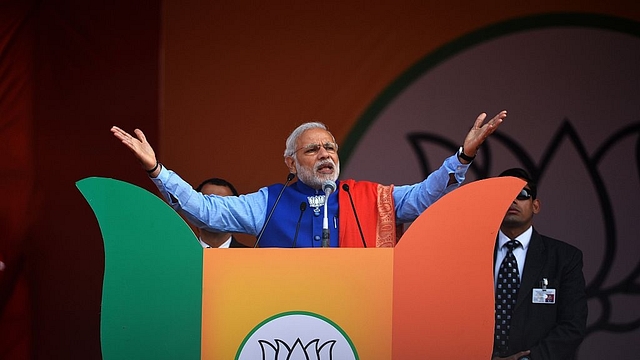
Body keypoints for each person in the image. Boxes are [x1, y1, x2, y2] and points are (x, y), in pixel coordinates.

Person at [110, 110, 507, 248]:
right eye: (313, 150)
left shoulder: (370, 198)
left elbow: (423, 197)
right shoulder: (267, 202)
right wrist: (156, 170)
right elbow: (205, 210)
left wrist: (463, 157)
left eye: (330, 148)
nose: (325, 156)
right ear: (290, 160)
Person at [492, 168, 587, 360]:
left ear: (536, 205)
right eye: (504, 195)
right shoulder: (473, 255)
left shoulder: (565, 258)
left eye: (522, 194)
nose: (513, 201)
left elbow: (573, 324)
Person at [194, 177, 248, 248]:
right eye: (208, 205)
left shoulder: (252, 257)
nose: (215, 211)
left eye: (223, 205)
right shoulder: (177, 256)